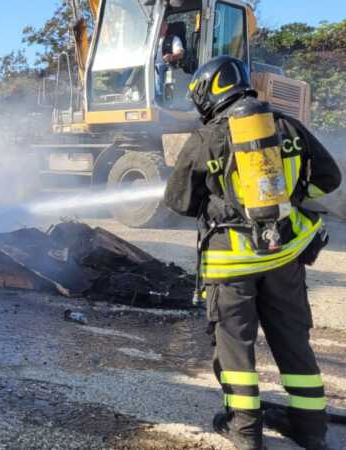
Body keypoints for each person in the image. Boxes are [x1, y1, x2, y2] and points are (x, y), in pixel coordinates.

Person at [164, 56, 340, 450]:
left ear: (210, 93)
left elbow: (178, 201)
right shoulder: (288, 125)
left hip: (232, 265)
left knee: (236, 351)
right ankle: (312, 432)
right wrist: (292, 199)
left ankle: (244, 433)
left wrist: (216, 204)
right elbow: (330, 178)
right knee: (295, 347)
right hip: (284, 259)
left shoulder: (207, 137)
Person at [156, 20, 187, 101]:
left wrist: (172, 56)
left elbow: (180, 53)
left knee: (158, 67)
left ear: (166, 27)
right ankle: (122, 90)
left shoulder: (173, 39)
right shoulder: (151, 40)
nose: (158, 27)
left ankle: (158, 97)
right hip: (150, 66)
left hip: (166, 66)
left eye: (161, 25)